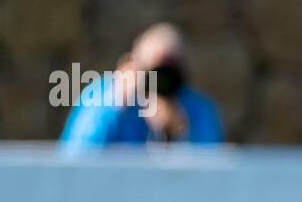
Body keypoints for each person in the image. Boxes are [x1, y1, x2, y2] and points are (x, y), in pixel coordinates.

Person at [59, 23, 223, 150]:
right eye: (155, 68)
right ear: (135, 64)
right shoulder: (105, 95)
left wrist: (180, 132)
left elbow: (211, 167)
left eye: (169, 68)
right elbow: (75, 155)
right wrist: (116, 104)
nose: (161, 78)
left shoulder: (197, 108)